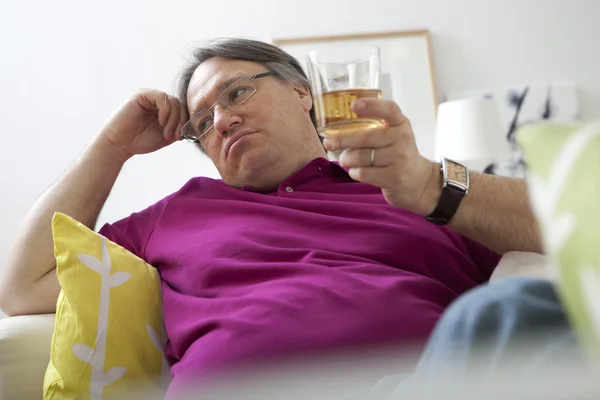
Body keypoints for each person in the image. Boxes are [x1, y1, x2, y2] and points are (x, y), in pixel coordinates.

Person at [0, 38, 584, 399]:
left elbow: (573, 227)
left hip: (419, 385)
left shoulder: (404, 183)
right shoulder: (178, 213)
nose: (220, 122)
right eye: (201, 123)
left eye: (235, 95)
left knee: (524, 312)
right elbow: (21, 286)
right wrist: (111, 145)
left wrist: (432, 183)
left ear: (303, 92)